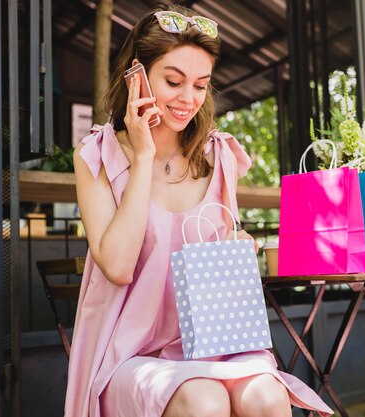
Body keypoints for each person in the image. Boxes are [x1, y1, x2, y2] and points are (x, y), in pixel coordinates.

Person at [65, 4, 333, 417]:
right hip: (130, 355)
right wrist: (143, 156)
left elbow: (225, 243)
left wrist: (239, 245)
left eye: (201, 84)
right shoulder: (97, 156)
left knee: (267, 397)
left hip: (216, 345)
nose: (188, 98)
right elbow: (117, 266)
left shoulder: (219, 154)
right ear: (137, 75)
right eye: (174, 81)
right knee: (203, 400)